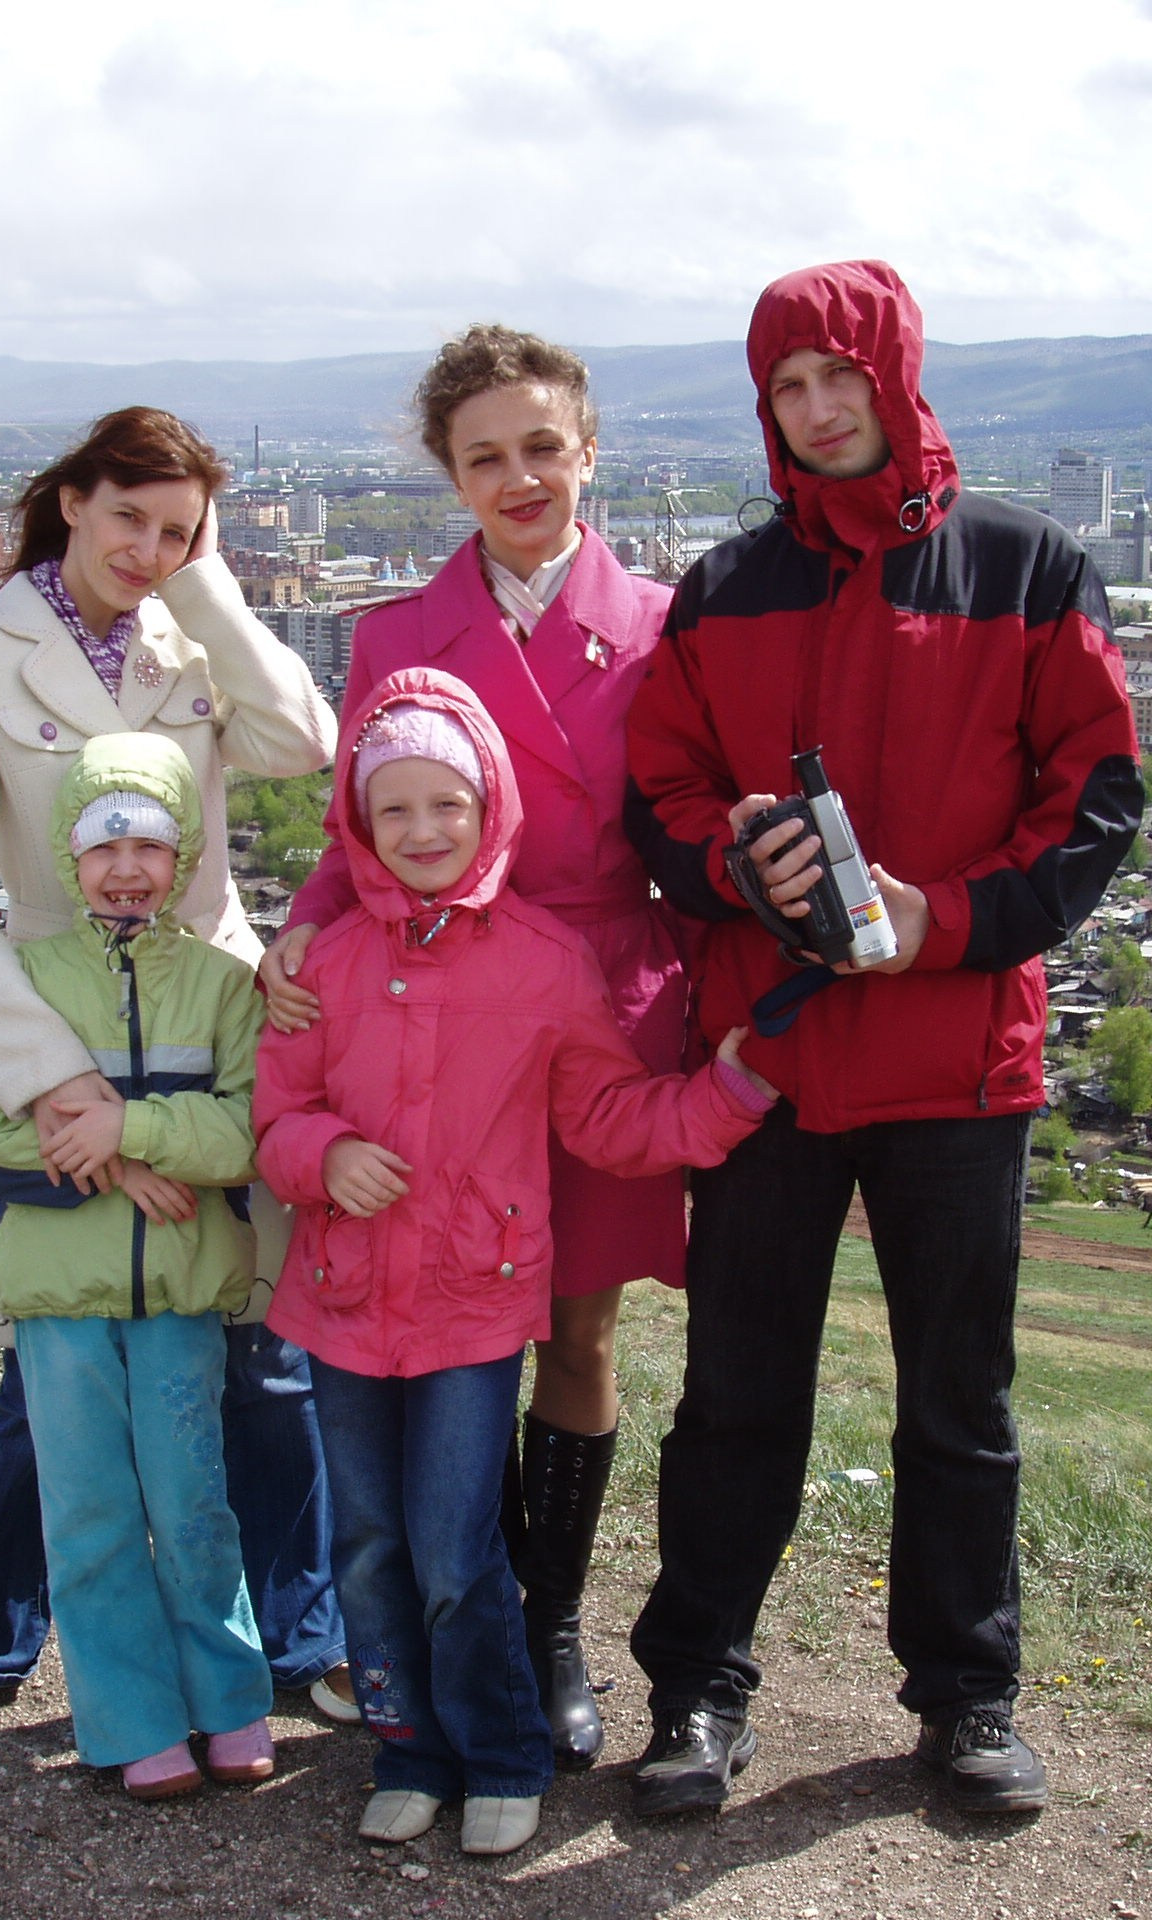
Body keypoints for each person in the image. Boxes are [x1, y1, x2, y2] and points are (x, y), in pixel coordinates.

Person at [620, 261, 1143, 1817]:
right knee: (735, 1393)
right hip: (773, 1063)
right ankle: (698, 1688)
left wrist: (952, 921)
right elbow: (660, 793)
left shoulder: (1030, 571)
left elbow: (1098, 804)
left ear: (898, 377)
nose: (819, 407)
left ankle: (968, 1699)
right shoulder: (723, 591)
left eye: (841, 376)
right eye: (788, 386)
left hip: (957, 1061)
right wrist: (735, 865)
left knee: (957, 1401)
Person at [252, 669, 777, 1857]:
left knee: (453, 1547)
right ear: (356, 824)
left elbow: (605, 1118)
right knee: (368, 1550)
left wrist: (723, 1098)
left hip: (472, 1310)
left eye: (449, 804)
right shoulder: (326, 964)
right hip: (339, 1305)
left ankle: (498, 1750)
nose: (424, 832)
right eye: (394, 811)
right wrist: (321, 1156)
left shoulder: (542, 962)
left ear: (492, 809)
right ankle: (408, 1747)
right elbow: (275, 1118)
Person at [259, 326, 679, 1768]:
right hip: (429, 1009)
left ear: (590, 450)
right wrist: (301, 933)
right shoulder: (390, 634)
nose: (518, 478)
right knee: (440, 1323)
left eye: (541, 447)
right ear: (449, 472)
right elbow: (358, 824)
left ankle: (542, 1621)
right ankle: (454, 1629)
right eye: (483, 455)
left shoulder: (670, 622)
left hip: (595, 1003)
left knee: (574, 1324)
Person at [0, 406, 354, 1729]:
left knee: (261, 1353)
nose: (146, 550)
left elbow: (303, 741)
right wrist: (54, 1086)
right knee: (57, 1360)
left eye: (177, 528)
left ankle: (296, 1641)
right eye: (128, 520)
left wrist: (206, 581)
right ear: (70, 503)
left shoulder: (189, 636)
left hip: (208, 1016)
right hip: (60, 1019)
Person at [0, 731, 275, 1797]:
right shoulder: (25, 980)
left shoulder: (224, 986)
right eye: (103, 844)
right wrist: (119, 1166)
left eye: (149, 844)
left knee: (194, 1504)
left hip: (182, 1289)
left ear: (182, 859)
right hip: (59, 1297)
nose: (126, 867)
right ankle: (129, 1720)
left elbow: (245, 1133)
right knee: (87, 1512)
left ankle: (227, 1704)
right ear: (67, 854)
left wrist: (125, 1130)